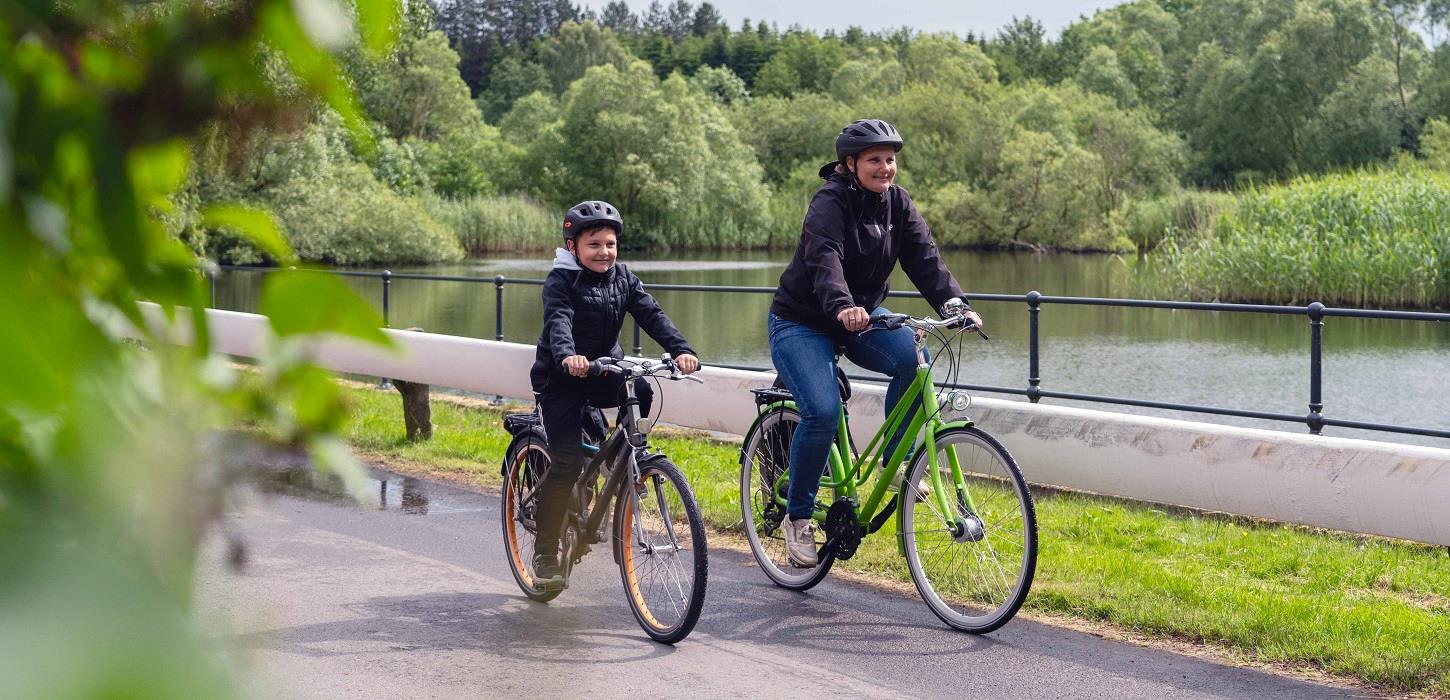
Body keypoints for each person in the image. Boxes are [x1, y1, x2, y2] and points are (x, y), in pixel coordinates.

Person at [767, 119, 984, 568]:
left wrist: (956, 305)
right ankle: (799, 518)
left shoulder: (897, 203)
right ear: (851, 164)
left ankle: (897, 462)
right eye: (874, 160)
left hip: (861, 317)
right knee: (823, 411)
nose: (885, 168)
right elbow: (824, 257)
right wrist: (842, 304)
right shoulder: (829, 201)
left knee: (914, 358)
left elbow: (926, 259)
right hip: (803, 321)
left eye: (890, 159)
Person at [528, 200, 700, 589]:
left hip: (604, 370)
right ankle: (545, 551)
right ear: (573, 247)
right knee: (567, 463)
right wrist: (568, 356)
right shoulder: (560, 281)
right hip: (563, 378)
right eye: (594, 245)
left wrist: (681, 349)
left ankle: (622, 460)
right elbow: (559, 320)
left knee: (641, 386)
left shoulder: (623, 277)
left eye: (610, 244)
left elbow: (651, 313)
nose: (604, 252)